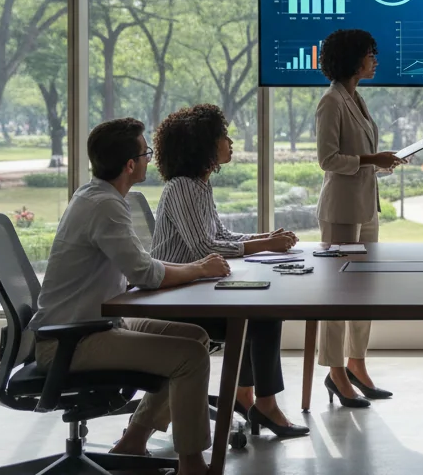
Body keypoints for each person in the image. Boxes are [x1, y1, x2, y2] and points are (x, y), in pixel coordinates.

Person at [27, 117, 256, 475]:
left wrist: (187, 272)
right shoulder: (105, 206)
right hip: (72, 338)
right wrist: (199, 269)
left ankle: (132, 442)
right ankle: (194, 473)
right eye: (145, 153)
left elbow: (139, 267)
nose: (151, 159)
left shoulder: (98, 197)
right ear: (130, 165)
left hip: (95, 323)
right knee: (189, 357)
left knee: (193, 336)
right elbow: (145, 272)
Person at [151, 103, 308, 440]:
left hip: (194, 291)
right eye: (223, 136)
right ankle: (262, 404)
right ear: (203, 145)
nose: (230, 141)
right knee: (263, 316)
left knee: (259, 313)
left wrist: (266, 238)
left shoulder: (199, 186)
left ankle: (245, 396)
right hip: (175, 300)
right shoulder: (181, 187)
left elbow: (221, 236)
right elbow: (203, 249)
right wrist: (264, 246)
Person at [315, 28, 403, 408]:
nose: (375, 59)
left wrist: (382, 163)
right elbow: (328, 160)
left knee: (362, 293)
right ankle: (335, 373)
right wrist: (372, 160)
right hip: (341, 212)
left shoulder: (356, 98)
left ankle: (356, 364)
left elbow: (359, 157)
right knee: (338, 296)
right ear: (354, 59)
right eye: (371, 53)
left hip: (365, 208)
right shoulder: (331, 102)